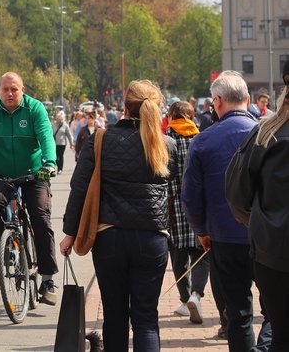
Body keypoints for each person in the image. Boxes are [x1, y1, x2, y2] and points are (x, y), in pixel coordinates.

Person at [60, 79, 176, 352]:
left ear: (124, 107)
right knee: (146, 319)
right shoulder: (165, 145)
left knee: (114, 315)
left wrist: (70, 232)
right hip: (151, 238)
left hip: (109, 237)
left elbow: (79, 188)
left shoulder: (100, 140)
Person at [181, 71, 261, 352]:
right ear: (248, 100)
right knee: (277, 307)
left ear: (216, 102)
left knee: (238, 313)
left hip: (224, 237)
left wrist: (202, 231)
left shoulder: (203, 140)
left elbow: (190, 197)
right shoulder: (268, 135)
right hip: (268, 234)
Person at [0, 72, 59, 305]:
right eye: (5, 89)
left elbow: (46, 137)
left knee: (40, 217)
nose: (9, 93)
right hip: (3, 171)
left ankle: (47, 280)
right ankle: (3, 241)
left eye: (14, 89)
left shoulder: (35, 109)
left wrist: (49, 163)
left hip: (34, 171)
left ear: (22, 90)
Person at [227, 59, 289, 352]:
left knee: (280, 333)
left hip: (272, 251)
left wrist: (258, 224)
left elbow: (237, 195)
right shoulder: (264, 133)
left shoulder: (265, 133)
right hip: (271, 249)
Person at [164, 100, 209, 324]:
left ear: (171, 116)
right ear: (191, 116)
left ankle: (184, 300)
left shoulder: (166, 140)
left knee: (178, 257)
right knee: (201, 255)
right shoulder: (200, 139)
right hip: (198, 206)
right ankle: (196, 295)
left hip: (173, 207)